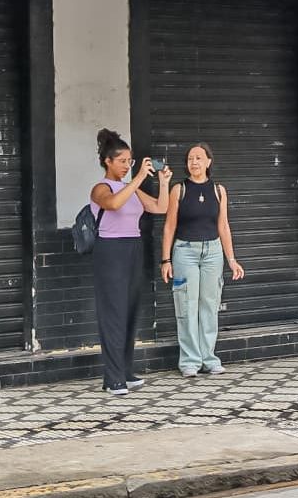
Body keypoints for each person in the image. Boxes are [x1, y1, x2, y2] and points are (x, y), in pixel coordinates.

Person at [89, 129, 172, 395]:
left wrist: (164, 182)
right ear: (107, 162)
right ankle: (112, 378)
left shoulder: (130, 187)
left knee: (130, 311)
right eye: (122, 161)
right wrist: (136, 179)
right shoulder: (101, 188)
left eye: (130, 161)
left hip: (133, 248)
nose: (127, 166)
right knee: (113, 313)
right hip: (110, 250)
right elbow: (112, 204)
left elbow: (161, 207)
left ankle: (125, 371)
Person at [160, 143, 245, 377]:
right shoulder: (179, 190)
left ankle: (209, 358)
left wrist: (231, 259)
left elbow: (223, 225)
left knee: (209, 305)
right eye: (190, 159)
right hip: (185, 251)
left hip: (213, 252)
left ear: (209, 161)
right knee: (187, 306)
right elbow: (169, 226)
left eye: (198, 158)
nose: (194, 162)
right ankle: (189, 361)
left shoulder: (219, 190)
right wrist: (165, 260)